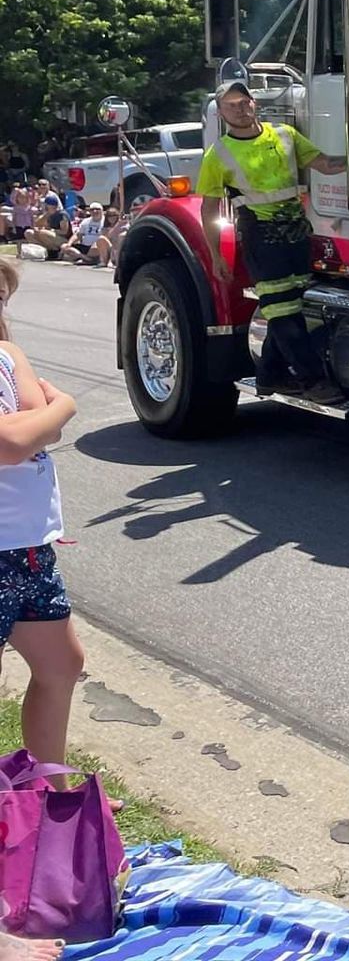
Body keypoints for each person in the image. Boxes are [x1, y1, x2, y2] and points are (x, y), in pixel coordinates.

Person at [0, 259, 90, 897]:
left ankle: (46, 794)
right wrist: (66, 404)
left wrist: (45, 414)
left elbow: (29, 424)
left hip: (27, 552)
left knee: (61, 664)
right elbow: (12, 441)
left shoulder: (5, 352)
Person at [196, 75, 346, 403]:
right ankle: (313, 381)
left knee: (290, 307)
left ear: (255, 103)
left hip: (295, 232)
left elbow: (323, 164)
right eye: (230, 106)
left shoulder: (285, 135)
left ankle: (269, 376)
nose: (239, 109)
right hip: (260, 238)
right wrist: (216, 256)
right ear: (220, 113)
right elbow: (208, 209)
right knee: (283, 312)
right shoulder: (218, 154)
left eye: (243, 102)